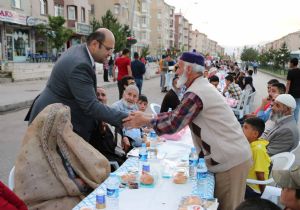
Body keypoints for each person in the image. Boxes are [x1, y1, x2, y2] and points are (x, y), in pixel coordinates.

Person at [124, 52, 252, 210]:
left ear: (188, 69)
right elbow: (176, 115)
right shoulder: (199, 87)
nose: (176, 71)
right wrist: (146, 117)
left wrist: (145, 120)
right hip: (231, 157)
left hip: (231, 161)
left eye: (178, 67)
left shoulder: (197, 92)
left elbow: (173, 123)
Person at [25, 28, 128, 142]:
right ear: (94, 44)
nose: (110, 54)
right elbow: (91, 106)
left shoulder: (81, 51)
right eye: (108, 49)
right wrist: (128, 118)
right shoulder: (80, 64)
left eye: (112, 50)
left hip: (56, 116)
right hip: (51, 122)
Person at [15, 103, 110, 209]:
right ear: (46, 127)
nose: (66, 128)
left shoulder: (66, 141)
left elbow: (94, 162)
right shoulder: (30, 157)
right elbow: (41, 190)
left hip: (77, 192)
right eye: (60, 124)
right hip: (48, 202)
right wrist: (75, 183)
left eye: (66, 122)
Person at [90, 87, 127, 167]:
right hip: (110, 162)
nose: (100, 97)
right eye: (97, 95)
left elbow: (119, 130)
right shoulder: (92, 119)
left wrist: (124, 137)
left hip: (123, 156)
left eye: (103, 95)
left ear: (106, 98)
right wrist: (101, 130)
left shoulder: (111, 115)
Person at [242, 117, 270, 199]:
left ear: (255, 134)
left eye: (245, 127)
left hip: (252, 188)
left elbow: (260, 174)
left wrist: (263, 195)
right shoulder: (251, 144)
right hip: (247, 183)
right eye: (243, 126)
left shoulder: (258, 150)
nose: (242, 129)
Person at [286, 57, 300, 122]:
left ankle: (290, 122)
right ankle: (295, 122)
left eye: (290, 63)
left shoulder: (290, 72)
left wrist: (286, 92)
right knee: (297, 107)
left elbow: (288, 83)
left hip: (292, 92)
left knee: (290, 107)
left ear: (292, 63)